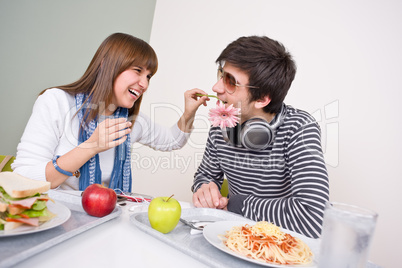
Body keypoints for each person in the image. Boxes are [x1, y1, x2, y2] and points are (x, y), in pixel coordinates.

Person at [12, 32, 208, 193]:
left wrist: (189, 113)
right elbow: (25, 176)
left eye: (149, 76)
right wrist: (91, 147)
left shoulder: (130, 122)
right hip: (54, 219)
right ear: (106, 64)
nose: (144, 84)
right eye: (137, 70)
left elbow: (172, 140)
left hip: (103, 221)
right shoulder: (57, 101)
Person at [191, 36, 329, 238]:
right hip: (237, 237)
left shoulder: (299, 127)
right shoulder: (222, 122)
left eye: (230, 82)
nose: (216, 87)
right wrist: (205, 189)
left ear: (263, 99)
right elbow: (205, 176)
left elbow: (313, 217)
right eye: (221, 74)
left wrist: (237, 204)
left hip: (283, 244)